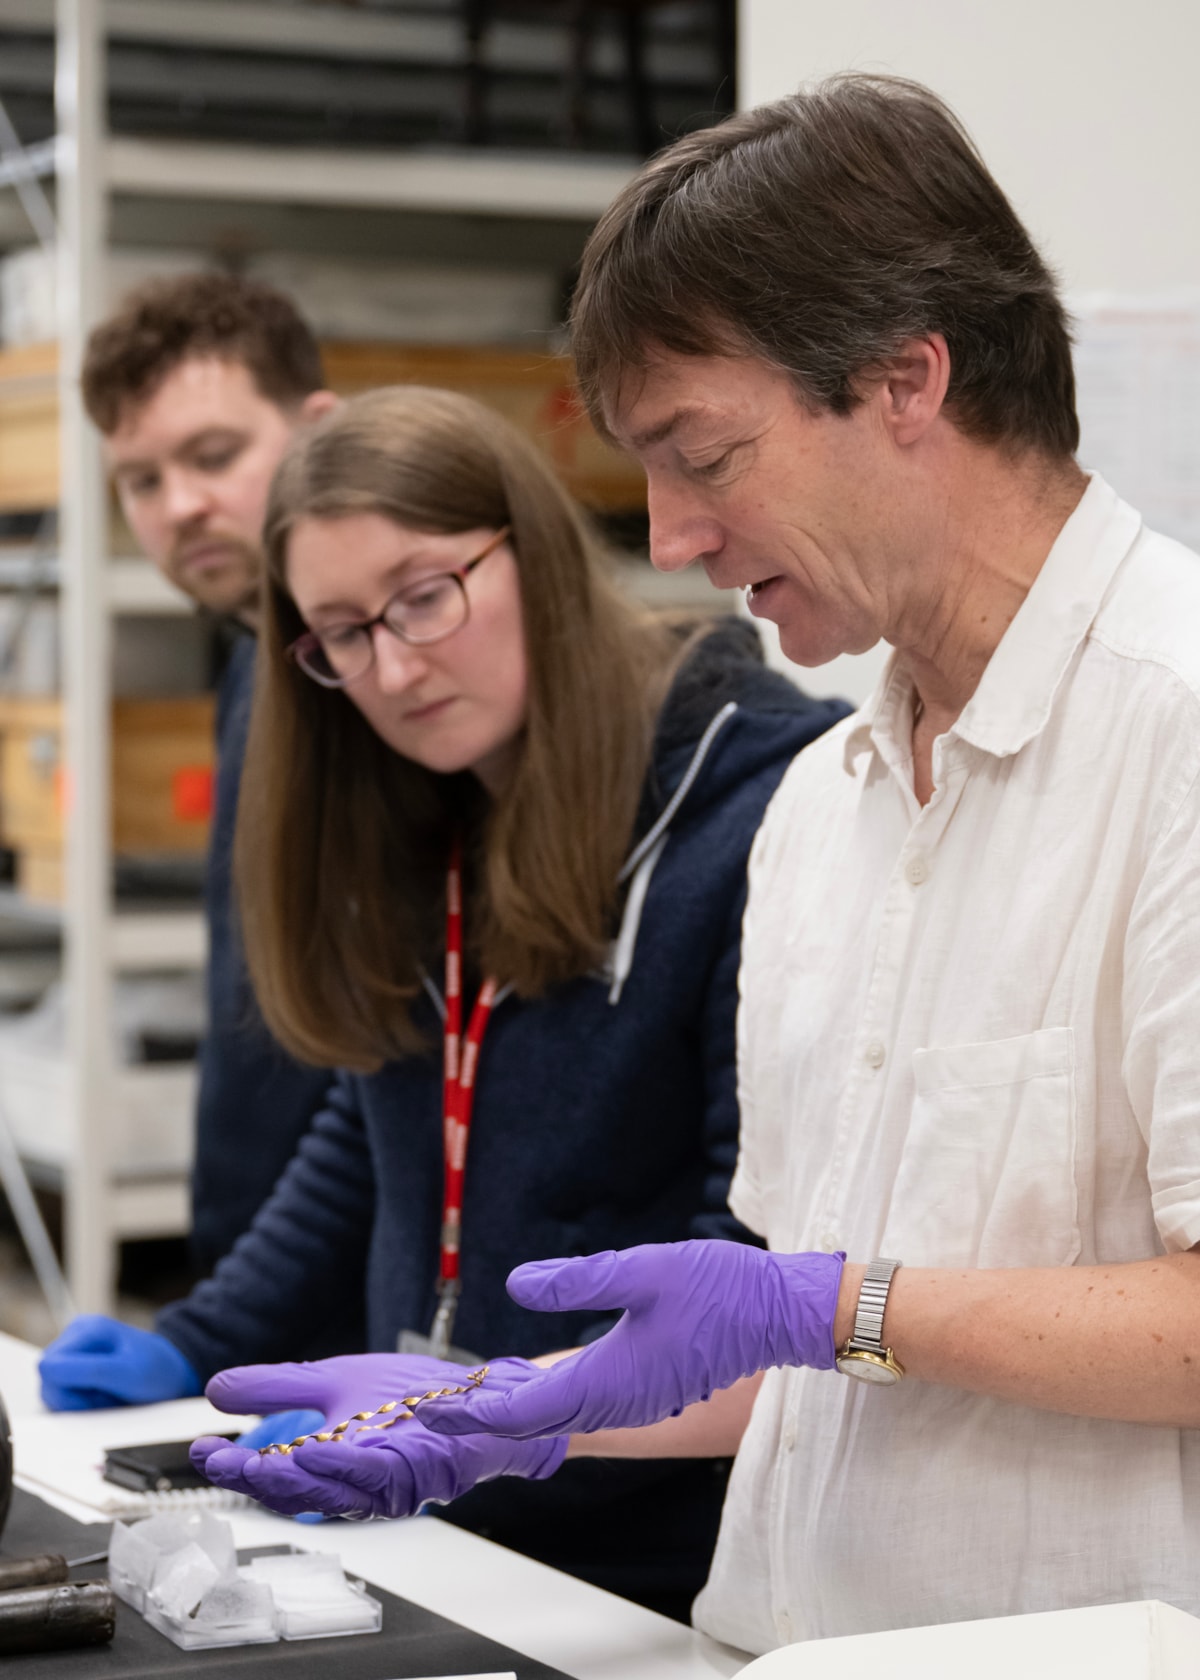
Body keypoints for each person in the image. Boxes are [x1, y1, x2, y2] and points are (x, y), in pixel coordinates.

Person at [201, 75, 1200, 1651]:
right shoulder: (826, 806)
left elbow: (854, 1319)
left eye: (705, 455)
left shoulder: (1179, 734)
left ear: (904, 382)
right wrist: (525, 1406)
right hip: (770, 1638)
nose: (668, 536)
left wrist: (841, 1303)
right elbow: (791, 1370)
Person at [42, 384, 848, 1618]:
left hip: (651, 1578)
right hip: (439, 1538)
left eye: (424, 596)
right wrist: (196, 1339)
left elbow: (747, 1269)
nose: (396, 665)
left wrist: (486, 1416)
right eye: (343, 635)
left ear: (528, 548)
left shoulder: (758, 811)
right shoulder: (433, 800)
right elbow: (376, 1127)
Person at [77, 275, 339, 1276]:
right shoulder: (248, 660)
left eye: (215, 456)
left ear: (318, 428)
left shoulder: (398, 685)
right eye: (141, 480)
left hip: (374, 1308)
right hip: (262, 1270)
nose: (181, 506)